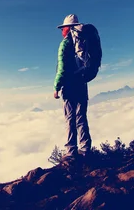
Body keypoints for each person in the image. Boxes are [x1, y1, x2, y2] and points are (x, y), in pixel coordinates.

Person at [53, 14, 92, 159]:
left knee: (70, 118)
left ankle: (71, 151)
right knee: (81, 117)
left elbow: (62, 68)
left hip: (69, 86)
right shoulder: (83, 41)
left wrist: (56, 87)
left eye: (63, 28)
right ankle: (86, 148)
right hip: (82, 84)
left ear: (67, 28)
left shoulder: (65, 44)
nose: (62, 31)